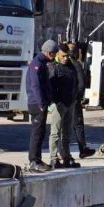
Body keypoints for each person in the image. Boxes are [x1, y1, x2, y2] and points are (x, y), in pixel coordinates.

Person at [26, 40, 58, 172]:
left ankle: (37, 159)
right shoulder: (37, 64)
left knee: (40, 132)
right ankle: (33, 161)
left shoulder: (42, 62)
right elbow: (36, 85)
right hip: (36, 103)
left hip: (40, 103)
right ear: (49, 53)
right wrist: (40, 102)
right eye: (54, 54)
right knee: (37, 133)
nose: (55, 56)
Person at [48, 45, 80, 169]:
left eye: (67, 56)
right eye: (63, 56)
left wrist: (75, 98)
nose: (66, 58)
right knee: (55, 132)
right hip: (59, 104)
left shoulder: (71, 67)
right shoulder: (53, 67)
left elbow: (76, 83)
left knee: (67, 133)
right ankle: (53, 158)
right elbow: (50, 87)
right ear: (57, 55)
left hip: (70, 103)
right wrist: (53, 102)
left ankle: (66, 156)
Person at [66, 42, 95, 159]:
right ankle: (82, 149)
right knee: (78, 125)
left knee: (63, 126)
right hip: (74, 100)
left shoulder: (62, 64)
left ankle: (61, 151)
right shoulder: (76, 65)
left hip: (63, 100)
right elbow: (81, 84)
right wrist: (78, 98)